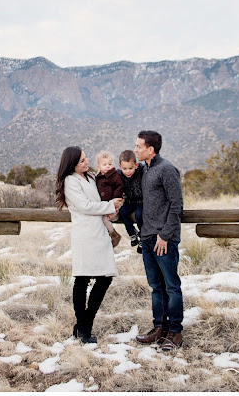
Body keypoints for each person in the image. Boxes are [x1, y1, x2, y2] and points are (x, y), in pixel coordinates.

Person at [55, 146, 124, 344]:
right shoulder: (70, 181)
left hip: (100, 233)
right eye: (82, 161)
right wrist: (111, 205)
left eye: (86, 159)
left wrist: (115, 204)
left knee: (105, 277)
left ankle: (83, 325)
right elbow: (85, 206)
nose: (87, 163)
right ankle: (84, 329)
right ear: (72, 164)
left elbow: (103, 197)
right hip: (85, 235)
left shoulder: (92, 178)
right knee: (83, 279)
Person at [133, 130, 184, 351]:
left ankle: (175, 332)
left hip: (164, 239)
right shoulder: (144, 170)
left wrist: (165, 235)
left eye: (139, 146)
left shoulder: (166, 169)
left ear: (150, 149)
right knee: (156, 287)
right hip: (147, 237)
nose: (136, 149)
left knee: (172, 286)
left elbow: (176, 204)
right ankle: (159, 328)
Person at [116, 150, 146, 253]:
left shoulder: (141, 170)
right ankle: (132, 233)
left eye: (130, 168)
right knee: (123, 212)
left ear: (136, 165)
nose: (128, 171)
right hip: (129, 201)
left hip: (141, 200)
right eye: (125, 168)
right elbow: (109, 178)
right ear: (120, 166)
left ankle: (142, 237)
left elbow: (147, 168)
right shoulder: (118, 174)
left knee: (139, 216)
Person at [94, 150, 124, 247]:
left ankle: (114, 234)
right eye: (104, 164)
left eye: (110, 164)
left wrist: (114, 204)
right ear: (98, 167)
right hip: (103, 206)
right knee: (99, 220)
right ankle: (105, 236)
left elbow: (119, 187)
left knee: (104, 219)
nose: (108, 166)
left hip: (113, 207)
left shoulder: (114, 176)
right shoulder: (97, 177)